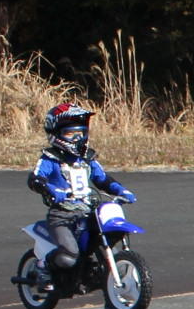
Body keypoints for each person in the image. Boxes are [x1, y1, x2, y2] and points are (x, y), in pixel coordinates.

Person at [27, 101, 134, 278]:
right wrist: (52, 190)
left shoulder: (87, 159)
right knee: (69, 255)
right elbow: (36, 179)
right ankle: (43, 265)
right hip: (62, 216)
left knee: (107, 236)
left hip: (88, 212)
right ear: (56, 134)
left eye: (81, 133)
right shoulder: (50, 159)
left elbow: (102, 179)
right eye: (70, 133)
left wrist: (121, 190)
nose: (77, 138)